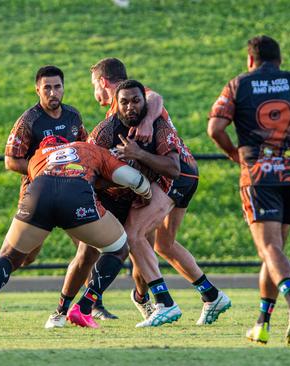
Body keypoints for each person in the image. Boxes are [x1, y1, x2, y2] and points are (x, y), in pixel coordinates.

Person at [207, 35, 290, 346]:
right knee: (274, 252)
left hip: (259, 173)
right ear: (279, 60)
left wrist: (234, 154)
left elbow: (215, 129)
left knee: (269, 250)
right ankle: (262, 323)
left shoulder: (238, 84)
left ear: (250, 60)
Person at [91, 58, 231, 325]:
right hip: (184, 172)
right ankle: (211, 295)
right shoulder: (120, 112)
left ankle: (163, 302)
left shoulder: (138, 101)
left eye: (93, 87)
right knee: (161, 244)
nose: (132, 106)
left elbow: (154, 96)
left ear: (101, 82)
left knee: (133, 234)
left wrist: (145, 127)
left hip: (174, 173)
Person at [0, 135, 153, 329]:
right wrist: (146, 194)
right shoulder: (88, 148)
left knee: (8, 256)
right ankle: (85, 306)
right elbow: (133, 179)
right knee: (118, 248)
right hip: (76, 194)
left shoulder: (37, 157)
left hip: (39, 192)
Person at [1, 65, 117, 326]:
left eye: (57, 87)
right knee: (25, 256)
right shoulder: (29, 120)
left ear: (63, 87)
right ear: (37, 90)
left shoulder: (73, 116)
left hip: (73, 192)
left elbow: (85, 148)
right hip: (39, 194)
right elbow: (10, 160)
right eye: (47, 88)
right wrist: (44, 170)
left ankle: (91, 305)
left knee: (88, 249)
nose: (53, 92)